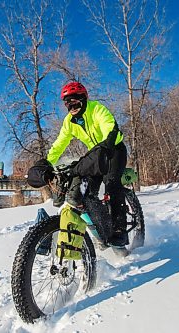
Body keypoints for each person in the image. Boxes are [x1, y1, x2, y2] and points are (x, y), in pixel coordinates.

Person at [45, 81, 129, 247]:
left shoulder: (96, 108)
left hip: (113, 149)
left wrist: (108, 142)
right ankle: (102, 225)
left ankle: (120, 230)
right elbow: (59, 144)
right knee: (85, 192)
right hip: (94, 154)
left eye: (75, 101)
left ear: (84, 98)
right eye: (67, 103)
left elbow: (109, 126)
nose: (71, 106)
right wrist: (47, 163)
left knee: (112, 184)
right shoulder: (69, 122)